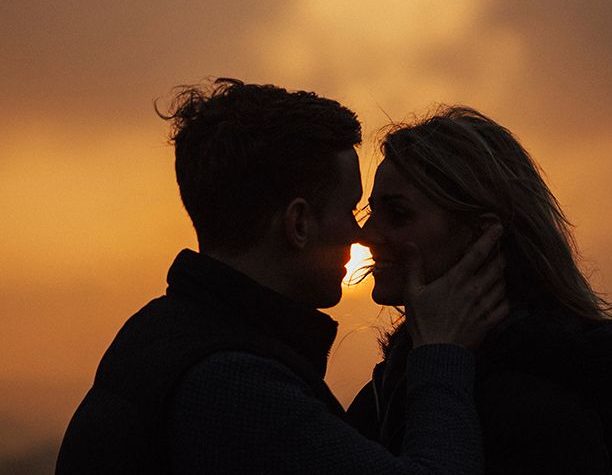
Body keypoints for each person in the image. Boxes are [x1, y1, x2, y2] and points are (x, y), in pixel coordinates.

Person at [55, 80, 508, 475]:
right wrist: (440, 355)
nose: (362, 235)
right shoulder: (232, 386)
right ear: (298, 224)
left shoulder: (165, 333)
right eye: (351, 210)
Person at [346, 105, 612, 475]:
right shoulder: (403, 374)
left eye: (398, 214)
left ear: (481, 234)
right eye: (370, 211)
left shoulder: (541, 404)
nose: (366, 235)